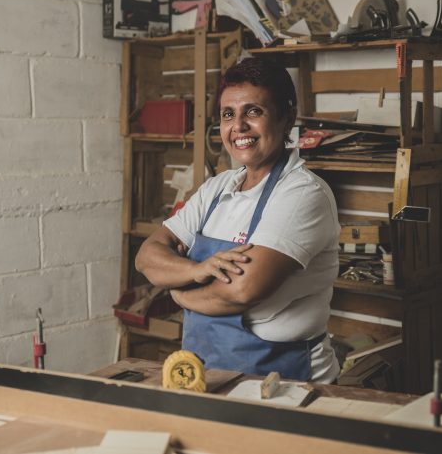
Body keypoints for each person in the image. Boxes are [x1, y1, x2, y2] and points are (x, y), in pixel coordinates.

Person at [135, 57, 340, 383]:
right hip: (207, 373)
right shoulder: (216, 189)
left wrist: (179, 293)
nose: (239, 126)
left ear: (287, 118)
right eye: (228, 114)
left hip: (284, 381)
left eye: (253, 111)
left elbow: (243, 290)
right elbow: (147, 257)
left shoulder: (302, 193)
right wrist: (198, 270)